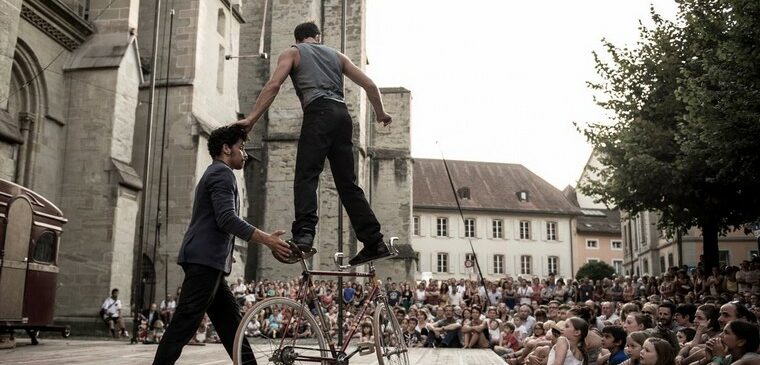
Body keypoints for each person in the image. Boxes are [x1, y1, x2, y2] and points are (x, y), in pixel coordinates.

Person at [236, 21, 393, 266]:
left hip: (318, 113)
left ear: (297, 39)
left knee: (307, 176)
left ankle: (305, 236)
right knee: (348, 185)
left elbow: (274, 85)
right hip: (342, 116)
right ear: (317, 37)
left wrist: (251, 119)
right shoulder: (337, 56)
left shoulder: (293, 52)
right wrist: (381, 114)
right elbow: (370, 85)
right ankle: (374, 241)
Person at [152, 125, 292, 365]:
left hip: (209, 261)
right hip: (204, 261)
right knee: (184, 323)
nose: (245, 153)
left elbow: (216, 221)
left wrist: (227, 250)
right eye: (241, 147)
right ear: (226, 149)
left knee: (231, 326)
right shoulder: (222, 173)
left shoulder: (218, 172)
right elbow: (226, 218)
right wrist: (267, 239)